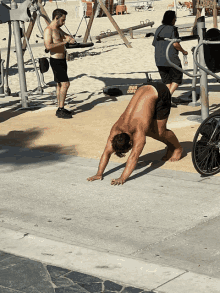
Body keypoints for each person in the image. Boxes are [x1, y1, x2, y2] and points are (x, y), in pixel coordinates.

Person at [87, 82, 183, 185]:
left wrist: (122, 178)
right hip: (145, 87)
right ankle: (170, 145)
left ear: (131, 142)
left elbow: (134, 157)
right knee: (150, 130)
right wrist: (99, 173)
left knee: (159, 132)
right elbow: (107, 152)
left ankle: (177, 148)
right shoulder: (116, 128)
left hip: (160, 92)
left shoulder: (138, 131)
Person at [44, 9, 76, 119]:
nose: (64, 22)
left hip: (62, 60)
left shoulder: (58, 29)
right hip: (55, 61)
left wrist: (70, 39)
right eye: (62, 20)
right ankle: (60, 109)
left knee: (59, 85)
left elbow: (67, 37)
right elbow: (48, 46)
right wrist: (64, 42)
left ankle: (60, 107)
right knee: (66, 84)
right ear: (56, 18)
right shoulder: (49, 30)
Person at [152, 10, 188, 107]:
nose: (175, 20)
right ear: (172, 19)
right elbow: (175, 44)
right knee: (177, 77)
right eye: (175, 18)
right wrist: (183, 51)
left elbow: (154, 44)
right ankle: (166, 99)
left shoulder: (159, 28)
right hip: (171, 58)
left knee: (167, 81)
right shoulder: (173, 29)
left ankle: (166, 99)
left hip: (159, 59)